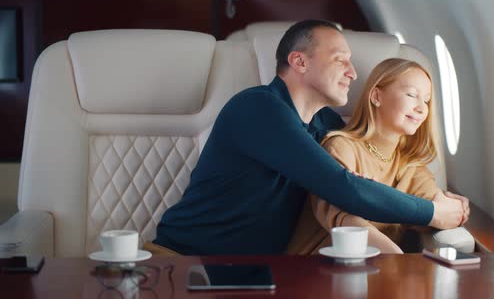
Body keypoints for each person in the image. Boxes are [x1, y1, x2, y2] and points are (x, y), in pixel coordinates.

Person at [153, 20, 464, 255]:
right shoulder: (257, 108)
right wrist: (433, 212)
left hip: (253, 273)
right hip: (182, 258)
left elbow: (363, 173)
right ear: (299, 62)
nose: (353, 73)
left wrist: (439, 197)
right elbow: (346, 188)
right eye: (341, 60)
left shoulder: (325, 124)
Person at [287, 58, 469, 255]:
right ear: (376, 96)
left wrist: (454, 208)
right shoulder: (340, 147)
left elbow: (442, 212)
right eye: (411, 95)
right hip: (314, 266)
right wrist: (397, 258)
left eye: (426, 100)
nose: (422, 108)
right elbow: (343, 220)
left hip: (373, 269)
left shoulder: (411, 166)